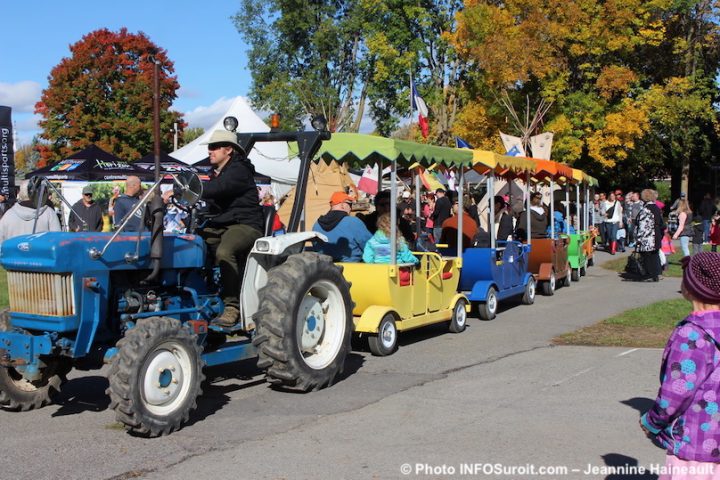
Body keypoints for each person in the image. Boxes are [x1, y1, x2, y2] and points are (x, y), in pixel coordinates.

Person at [640, 253, 720, 476]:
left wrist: (653, 421)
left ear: (692, 287)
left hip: (695, 443)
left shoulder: (692, 335)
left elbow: (677, 390)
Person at [313, 191, 372, 263]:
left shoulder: (317, 224)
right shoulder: (353, 222)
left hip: (325, 269)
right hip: (352, 269)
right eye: (350, 205)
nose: (351, 208)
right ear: (343, 205)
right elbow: (370, 246)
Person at [634, 189, 665, 281]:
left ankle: (650, 274)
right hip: (656, 234)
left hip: (648, 236)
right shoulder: (656, 208)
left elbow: (643, 225)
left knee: (647, 256)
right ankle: (657, 273)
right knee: (655, 254)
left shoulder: (646, 209)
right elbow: (661, 223)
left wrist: (639, 238)